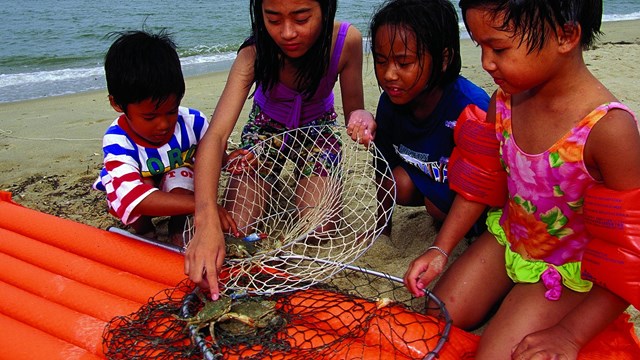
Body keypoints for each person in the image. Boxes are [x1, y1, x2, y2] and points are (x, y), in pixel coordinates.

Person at [404, 0, 640, 358]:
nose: (486, 62)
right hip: (512, 236)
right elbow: (482, 182)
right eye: (480, 45)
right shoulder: (505, 100)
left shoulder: (609, 131)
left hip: (567, 266)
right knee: (442, 310)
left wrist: (569, 335)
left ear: (566, 35)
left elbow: (631, 251)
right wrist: (441, 249)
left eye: (498, 47)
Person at [185, 0, 364, 299]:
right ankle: (268, 183)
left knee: (319, 229)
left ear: (326, 9)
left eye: (302, 18)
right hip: (266, 130)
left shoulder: (346, 42)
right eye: (273, 19)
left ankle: (296, 187)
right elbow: (215, 137)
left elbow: (354, 111)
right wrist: (206, 220)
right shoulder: (254, 53)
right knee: (236, 224)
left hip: (317, 130)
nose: (288, 33)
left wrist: (361, 119)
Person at [347, 0, 490, 239]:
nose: (389, 75)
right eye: (381, 61)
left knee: (436, 205)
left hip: (476, 198)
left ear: (443, 59)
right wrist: (383, 229)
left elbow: (491, 184)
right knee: (397, 184)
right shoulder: (390, 104)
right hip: (434, 183)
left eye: (404, 63)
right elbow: (382, 169)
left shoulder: (471, 107)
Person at [93, 29, 238, 246]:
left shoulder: (193, 122)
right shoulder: (118, 140)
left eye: (171, 111)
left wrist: (232, 161)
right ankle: (146, 230)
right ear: (117, 104)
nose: (163, 124)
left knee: (183, 174)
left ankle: (178, 227)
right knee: (133, 192)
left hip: (174, 183)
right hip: (139, 192)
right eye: (149, 117)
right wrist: (201, 205)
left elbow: (214, 155)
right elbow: (135, 197)